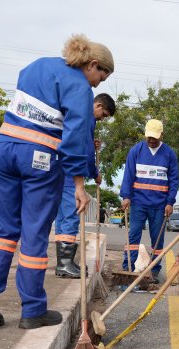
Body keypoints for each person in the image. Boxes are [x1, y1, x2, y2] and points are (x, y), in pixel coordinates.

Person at [0, 34, 113, 330]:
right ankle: (33, 310)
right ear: (93, 64)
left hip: (4, 148)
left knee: (3, 230)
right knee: (34, 232)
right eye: (103, 74)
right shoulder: (80, 87)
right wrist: (79, 184)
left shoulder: (37, 66)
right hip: (38, 158)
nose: (100, 83)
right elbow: (78, 139)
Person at [53, 93, 116, 279]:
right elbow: (84, 151)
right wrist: (95, 173)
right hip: (71, 176)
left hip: (60, 170)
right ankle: (65, 264)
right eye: (103, 114)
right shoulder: (86, 118)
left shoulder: (77, 114)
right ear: (97, 105)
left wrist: (92, 143)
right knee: (71, 216)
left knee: (62, 218)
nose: (102, 119)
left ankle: (62, 263)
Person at [119, 119, 179, 283]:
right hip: (138, 203)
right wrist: (126, 196)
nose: (151, 140)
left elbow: (174, 180)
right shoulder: (136, 150)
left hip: (159, 206)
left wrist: (170, 202)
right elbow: (128, 175)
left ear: (161, 136)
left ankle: (154, 271)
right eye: (149, 137)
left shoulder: (169, 154)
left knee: (157, 240)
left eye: (154, 137)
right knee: (133, 237)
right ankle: (128, 267)